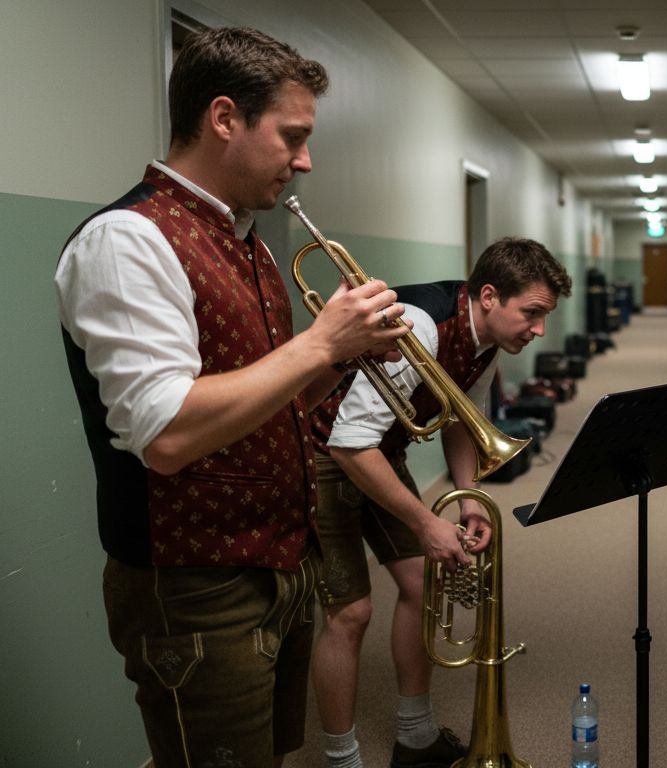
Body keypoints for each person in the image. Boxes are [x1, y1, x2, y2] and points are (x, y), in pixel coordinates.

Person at [55, 27, 409, 768]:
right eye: (293, 136)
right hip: (194, 583)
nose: (305, 160)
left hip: (277, 563)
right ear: (224, 119)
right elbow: (169, 434)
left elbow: (266, 401)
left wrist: (343, 358)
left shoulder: (248, 241)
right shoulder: (127, 240)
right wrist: (319, 343)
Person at [310, 238, 572, 768]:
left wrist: (470, 499)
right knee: (350, 613)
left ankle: (415, 736)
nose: (540, 330)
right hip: (321, 454)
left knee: (417, 582)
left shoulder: (490, 339)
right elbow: (347, 443)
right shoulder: (421, 327)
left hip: (378, 450)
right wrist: (426, 520)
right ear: (491, 297)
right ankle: (342, 760)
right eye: (533, 313)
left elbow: (459, 418)